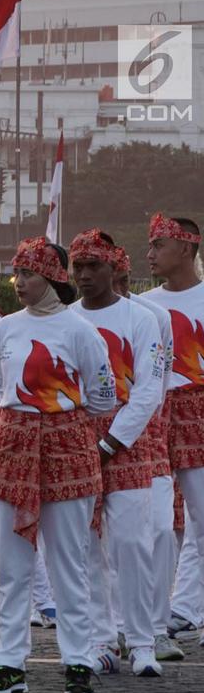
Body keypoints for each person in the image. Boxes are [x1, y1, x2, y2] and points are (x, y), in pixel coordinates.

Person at [0, 236, 114, 693]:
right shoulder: (4, 328)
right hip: (12, 445)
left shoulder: (81, 331)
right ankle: (9, 665)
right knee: (13, 566)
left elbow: (103, 397)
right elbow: (0, 382)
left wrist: (58, 418)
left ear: (53, 277)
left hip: (67, 447)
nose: (18, 282)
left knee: (68, 564)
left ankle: (78, 663)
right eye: (17, 273)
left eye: (28, 274)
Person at [67, 229, 165, 676]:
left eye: (95, 266)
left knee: (131, 543)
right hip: (75, 440)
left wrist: (109, 443)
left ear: (115, 268)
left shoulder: (140, 319)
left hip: (126, 441)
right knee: (85, 547)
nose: (85, 275)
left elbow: (148, 391)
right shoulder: (65, 319)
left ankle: (142, 642)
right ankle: (101, 641)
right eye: (79, 267)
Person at [114, 245, 188, 659]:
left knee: (160, 529)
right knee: (108, 539)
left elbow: (157, 385)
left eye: (121, 278)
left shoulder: (152, 317)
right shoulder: (74, 318)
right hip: (91, 438)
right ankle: (112, 628)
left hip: (148, 437)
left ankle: (156, 628)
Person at [141, 213, 204, 653]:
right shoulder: (144, 306)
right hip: (155, 414)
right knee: (156, 523)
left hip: (199, 412)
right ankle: (157, 615)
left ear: (186, 248)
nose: (150, 254)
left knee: (202, 520)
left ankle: (186, 609)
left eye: (159, 245)